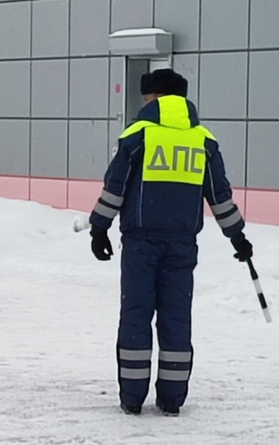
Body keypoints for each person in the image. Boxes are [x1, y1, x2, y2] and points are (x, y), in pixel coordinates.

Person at [88, 68, 253, 416]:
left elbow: (115, 186)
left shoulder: (138, 135)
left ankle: (132, 399)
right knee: (176, 319)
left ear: (154, 97)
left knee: (136, 316)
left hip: (140, 242)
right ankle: (171, 400)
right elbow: (219, 196)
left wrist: (99, 227)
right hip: (182, 245)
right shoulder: (203, 140)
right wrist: (237, 236)